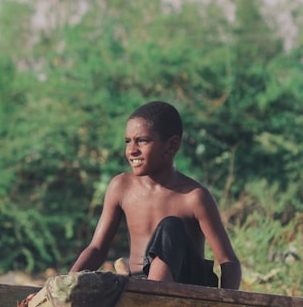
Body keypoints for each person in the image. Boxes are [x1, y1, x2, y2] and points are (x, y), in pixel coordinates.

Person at [70, 101, 242, 290]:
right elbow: (97, 249)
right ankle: (151, 294)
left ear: (171, 145)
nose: (131, 150)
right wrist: (65, 284)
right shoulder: (121, 187)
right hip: (138, 285)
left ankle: (155, 295)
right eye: (128, 141)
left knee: (171, 225)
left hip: (186, 287)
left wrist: (227, 304)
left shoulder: (194, 196)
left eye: (142, 140)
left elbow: (228, 261)